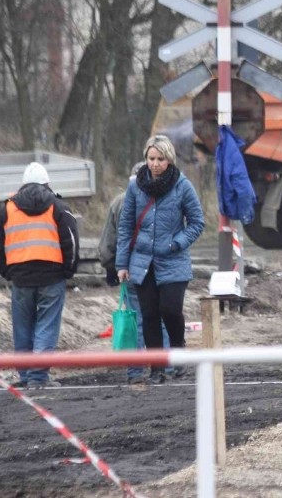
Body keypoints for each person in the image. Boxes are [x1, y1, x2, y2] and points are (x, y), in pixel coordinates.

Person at [116, 135, 205, 384]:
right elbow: (126, 226)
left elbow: (197, 222)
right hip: (142, 263)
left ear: (169, 160)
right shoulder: (135, 186)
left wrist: (177, 242)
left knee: (170, 309)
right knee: (150, 315)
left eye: (160, 159)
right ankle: (157, 369)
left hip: (173, 261)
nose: (155, 164)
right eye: (151, 158)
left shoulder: (182, 186)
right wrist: (122, 264)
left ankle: (178, 350)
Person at [0, 162, 79, 388]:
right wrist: (68, 270)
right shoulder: (58, 206)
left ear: (23, 185)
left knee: (22, 327)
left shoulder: (7, 209)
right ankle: (38, 378)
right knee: (47, 325)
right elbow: (71, 241)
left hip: (21, 278)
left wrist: (6, 271)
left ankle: (26, 377)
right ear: (47, 183)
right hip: (51, 276)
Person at [99, 161, 174, 385]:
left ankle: (135, 372)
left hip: (131, 269)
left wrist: (110, 266)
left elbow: (107, 242)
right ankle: (165, 367)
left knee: (138, 320)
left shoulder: (119, 202)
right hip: (161, 269)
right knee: (161, 318)